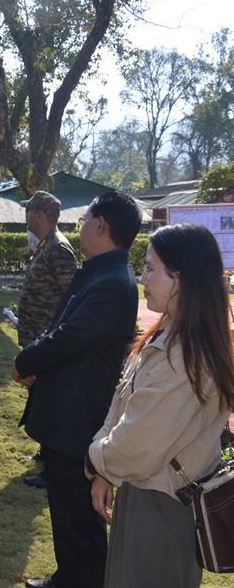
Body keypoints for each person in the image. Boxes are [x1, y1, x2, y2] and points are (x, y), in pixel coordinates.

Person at [86, 224, 234, 588]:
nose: (142, 278)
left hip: (161, 508)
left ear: (180, 280)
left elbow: (136, 444)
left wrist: (96, 460)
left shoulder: (186, 358)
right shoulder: (172, 333)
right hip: (145, 493)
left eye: (151, 268)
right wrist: (106, 469)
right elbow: (124, 401)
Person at [13, 190, 141, 588]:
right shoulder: (100, 272)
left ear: (101, 226)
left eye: (85, 219)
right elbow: (63, 329)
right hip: (66, 411)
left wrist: (27, 360)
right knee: (67, 514)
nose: (80, 225)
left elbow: (69, 338)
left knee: (80, 521)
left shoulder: (112, 282)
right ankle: (68, 577)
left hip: (77, 417)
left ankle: (80, 580)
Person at [17, 191, 78, 490]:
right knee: (41, 400)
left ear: (40, 215)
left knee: (52, 404)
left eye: (29, 210)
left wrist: (52, 341)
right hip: (37, 340)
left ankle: (53, 468)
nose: (26, 215)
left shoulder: (59, 249)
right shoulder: (45, 245)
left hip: (49, 343)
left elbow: (72, 299)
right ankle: (45, 454)